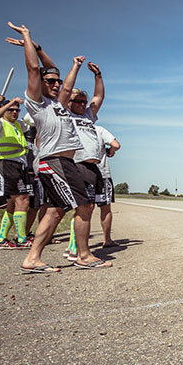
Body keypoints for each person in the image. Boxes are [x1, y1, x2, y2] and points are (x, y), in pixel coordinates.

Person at [8, 21, 112, 273]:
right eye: (50, 81)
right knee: (85, 205)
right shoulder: (37, 103)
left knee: (55, 211)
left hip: (62, 162)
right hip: (54, 161)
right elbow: (35, 69)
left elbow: (60, 79)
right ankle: (84, 255)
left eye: (57, 81)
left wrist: (71, 64)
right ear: (40, 84)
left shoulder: (58, 104)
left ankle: (33, 258)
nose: (55, 84)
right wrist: (27, 37)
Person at [63, 64, 107, 262]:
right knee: (83, 207)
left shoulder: (88, 116)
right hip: (77, 163)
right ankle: (77, 250)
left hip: (92, 166)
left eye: (84, 102)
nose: (82, 105)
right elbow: (64, 92)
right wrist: (76, 68)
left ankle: (74, 247)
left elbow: (99, 98)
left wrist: (98, 75)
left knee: (88, 208)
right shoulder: (65, 114)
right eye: (78, 101)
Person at [0, 97, 31, 249]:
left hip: (18, 165)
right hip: (7, 164)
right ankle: (22, 239)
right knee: (22, 199)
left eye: (17, 109)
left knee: (12, 204)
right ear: (4, 110)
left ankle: (1, 240)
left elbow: (33, 119)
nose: (14, 112)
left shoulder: (17, 125)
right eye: (10, 109)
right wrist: (6, 104)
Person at [94, 124, 120, 247]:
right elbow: (116, 145)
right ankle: (107, 239)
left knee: (82, 210)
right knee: (105, 208)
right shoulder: (98, 129)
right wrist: (110, 151)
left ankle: (74, 245)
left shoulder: (71, 126)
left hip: (81, 172)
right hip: (102, 172)